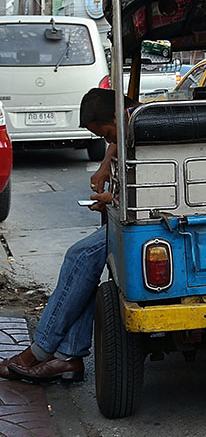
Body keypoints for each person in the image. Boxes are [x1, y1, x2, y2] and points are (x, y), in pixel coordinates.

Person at [0, 88, 136, 382]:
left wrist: (110, 200)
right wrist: (104, 167)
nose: (108, 140)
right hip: (131, 218)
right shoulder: (129, 121)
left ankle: (40, 350)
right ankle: (68, 356)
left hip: (144, 225)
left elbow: (147, 196)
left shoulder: (142, 125)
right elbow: (119, 140)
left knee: (80, 256)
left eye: (106, 133)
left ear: (116, 116)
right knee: (85, 272)